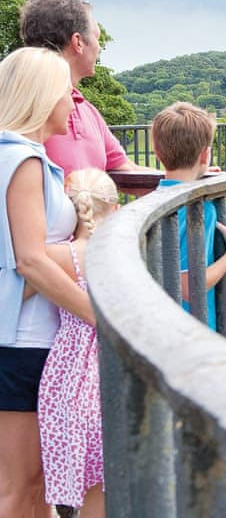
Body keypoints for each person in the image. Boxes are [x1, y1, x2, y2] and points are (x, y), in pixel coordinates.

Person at [0, 47, 94, 517]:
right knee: (21, 487)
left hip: (31, 341)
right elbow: (30, 261)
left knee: (36, 485)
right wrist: (100, 317)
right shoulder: (22, 161)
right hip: (22, 343)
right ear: (41, 96)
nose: (72, 102)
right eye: (65, 91)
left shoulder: (23, 157)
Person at [36, 169, 118, 518]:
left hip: (69, 376)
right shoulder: (125, 255)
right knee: (105, 481)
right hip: (112, 371)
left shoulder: (58, 256)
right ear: (115, 209)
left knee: (79, 478)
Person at [18, 0, 147, 176]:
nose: (99, 47)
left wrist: (184, 182)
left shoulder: (85, 109)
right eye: (97, 37)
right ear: (78, 42)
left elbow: (128, 170)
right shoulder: (22, 110)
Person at [151, 102, 226, 331]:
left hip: (159, 327)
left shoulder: (152, 201)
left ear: (156, 152)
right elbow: (189, 287)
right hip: (191, 332)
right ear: (205, 155)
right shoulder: (199, 210)